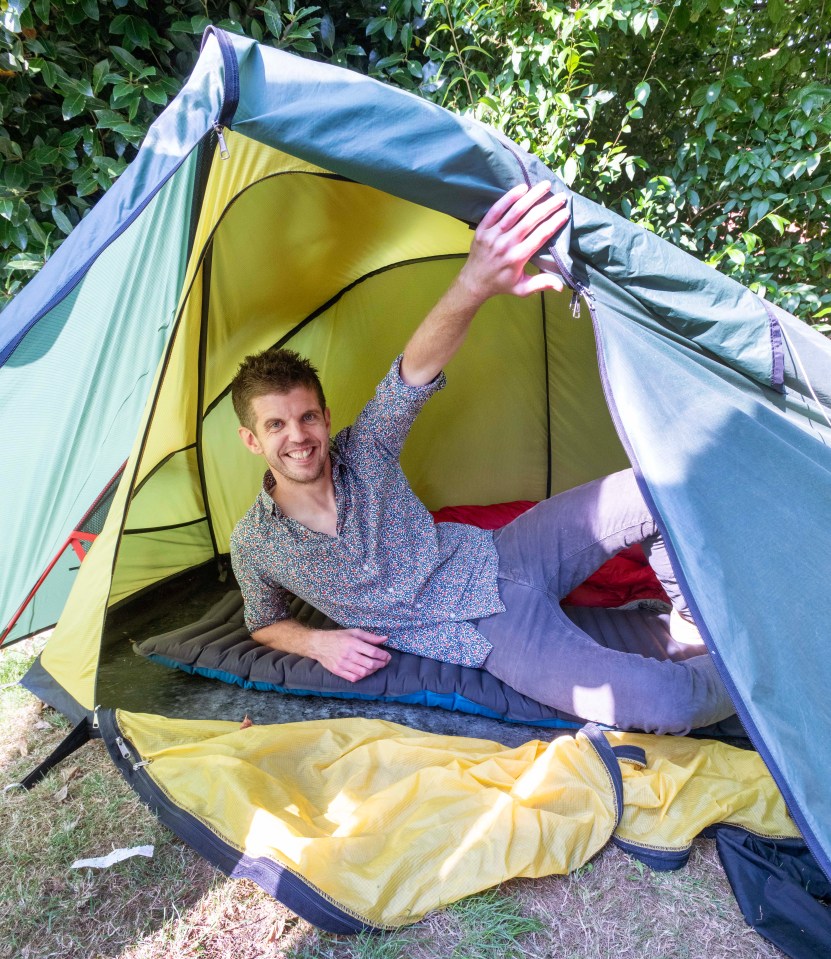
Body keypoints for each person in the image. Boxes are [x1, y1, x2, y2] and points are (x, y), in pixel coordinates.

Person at [229, 182, 735, 735]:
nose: (297, 437)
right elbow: (264, 622)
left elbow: (412, 374)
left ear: (325, 418)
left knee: (657, 486)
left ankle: (689, 625)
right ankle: (765, 678)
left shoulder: (363, 451)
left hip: (508, 550)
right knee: (673, 706)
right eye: (275, 425)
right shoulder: (255, 542)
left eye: (306, 418)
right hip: (484, 629)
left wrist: (473, 283)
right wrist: (316, 641)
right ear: (252, 440)